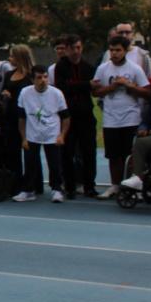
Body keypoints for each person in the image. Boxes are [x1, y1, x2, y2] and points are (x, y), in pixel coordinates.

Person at [92, 35, 151, 198]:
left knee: (130, 154)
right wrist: (113, 86)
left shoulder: (135, 69)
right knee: (113, 155)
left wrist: (129, 85)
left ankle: (133, 186)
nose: (114, 53)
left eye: (118, 50)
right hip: (111, 118)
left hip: (131, 117)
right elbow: (95, 91)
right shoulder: (103, 68)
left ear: (125, 51)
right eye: (111, 50)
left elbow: (147, 92)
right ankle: (115, 185)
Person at [15, 65, 70, 203]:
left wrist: (62, 135)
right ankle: (28, 190)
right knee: (29, 162)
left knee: (55, 164)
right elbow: (21, 118)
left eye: (45, 77)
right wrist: (24, 138)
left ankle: (57, 189)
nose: (43, 80)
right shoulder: (25, 93)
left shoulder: (57, 93)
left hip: (52, 134)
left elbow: (65, 117)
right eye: (39, 77)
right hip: (32, 134)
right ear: (32, 79)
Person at [53, 34, 98, 197]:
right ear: (67, 49)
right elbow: (62, 87)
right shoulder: (61, 67)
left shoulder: (88, 67)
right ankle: (70, 185)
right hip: (68, 116)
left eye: (78, 48)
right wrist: (86, 85)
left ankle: (89, 185)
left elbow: (95, 87)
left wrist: (85, 86)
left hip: (86, 114)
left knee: (89, 152)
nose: (76, 51)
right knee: (67, 152)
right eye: (72, 48)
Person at [0, 44, 35, 184]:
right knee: (12, 150)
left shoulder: (31, 76)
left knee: (29, 150)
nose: (9, 58)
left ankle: (32, 181)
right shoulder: (9, 74)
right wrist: (5, 94)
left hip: (27, 117)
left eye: (12, 56)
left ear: (20, 58)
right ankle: (16, 180)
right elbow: (4, 90)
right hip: (10, 116)